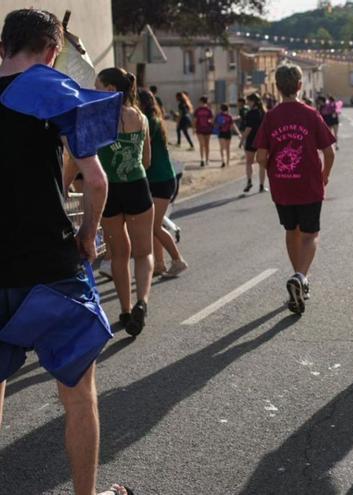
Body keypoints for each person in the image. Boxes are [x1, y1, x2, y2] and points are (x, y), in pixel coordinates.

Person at [0, 8, 132, 495]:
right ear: (53, 53)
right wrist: (88, 235)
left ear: (2, 47)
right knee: (78, 394)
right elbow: (95, 181)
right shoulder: (50, 89)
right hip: (51, 265)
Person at [254, 65, 335, 315]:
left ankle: (300, 278)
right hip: (309, 185)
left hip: (282, 185)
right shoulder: (311, 114)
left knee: (292, 230)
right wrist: (324, 177)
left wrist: (273, 169)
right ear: (300, 85)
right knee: (310, 234)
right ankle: (300, 276)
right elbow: (329, 152)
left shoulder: (271, 116)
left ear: (277, 87)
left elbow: (260, 156)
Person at [95, 67, 156, 337]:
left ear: (109, 90)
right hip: (137, 186)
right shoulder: (141, 117)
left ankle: (125, 309)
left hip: (109, 191)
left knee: (119, 254)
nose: (94, 90)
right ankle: (142, 301)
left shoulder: (96, 117)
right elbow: (147, 160)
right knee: (144, 252)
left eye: (97, 86)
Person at [137, 88, 188, 278]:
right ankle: (159, 264)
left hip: (162, 179)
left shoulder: (149, 121)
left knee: (155, 226)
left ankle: (177, 260)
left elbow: (142, 149)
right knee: (153, 225)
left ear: (141, 103)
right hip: (158, 179)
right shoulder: (152, 119)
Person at [240, 92, 266, 193]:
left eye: (249, 101)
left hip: (251, 140)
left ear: (253, 102)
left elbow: (248, 129)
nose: (248, 103)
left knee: (249, 162)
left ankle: (249, 181)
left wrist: (242, 140)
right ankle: (261, 185)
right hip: (262, 141)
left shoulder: (250, 113)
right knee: (262, 164)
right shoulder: (264, 113)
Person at [215, 103, 240, 168]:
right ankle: (228, 162)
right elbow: (233, 126)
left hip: (221, 133)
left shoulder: (219, 116)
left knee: (221, 147)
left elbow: (216, 125)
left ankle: (223, 160)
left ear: (221, 109)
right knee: (227, 148)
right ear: (228, 109)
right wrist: (238, 133)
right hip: (228, 133)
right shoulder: (229, 116)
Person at [193, 95, 213, 167]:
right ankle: (207, 160)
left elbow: (195, 120)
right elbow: (211, 120)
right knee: (207, 145)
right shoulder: (209, 110)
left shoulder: (198, 110)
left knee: (201, 145)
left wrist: (194, 128)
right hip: (207, 129)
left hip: (199, 129)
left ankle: (202, 159)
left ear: (201, 101)